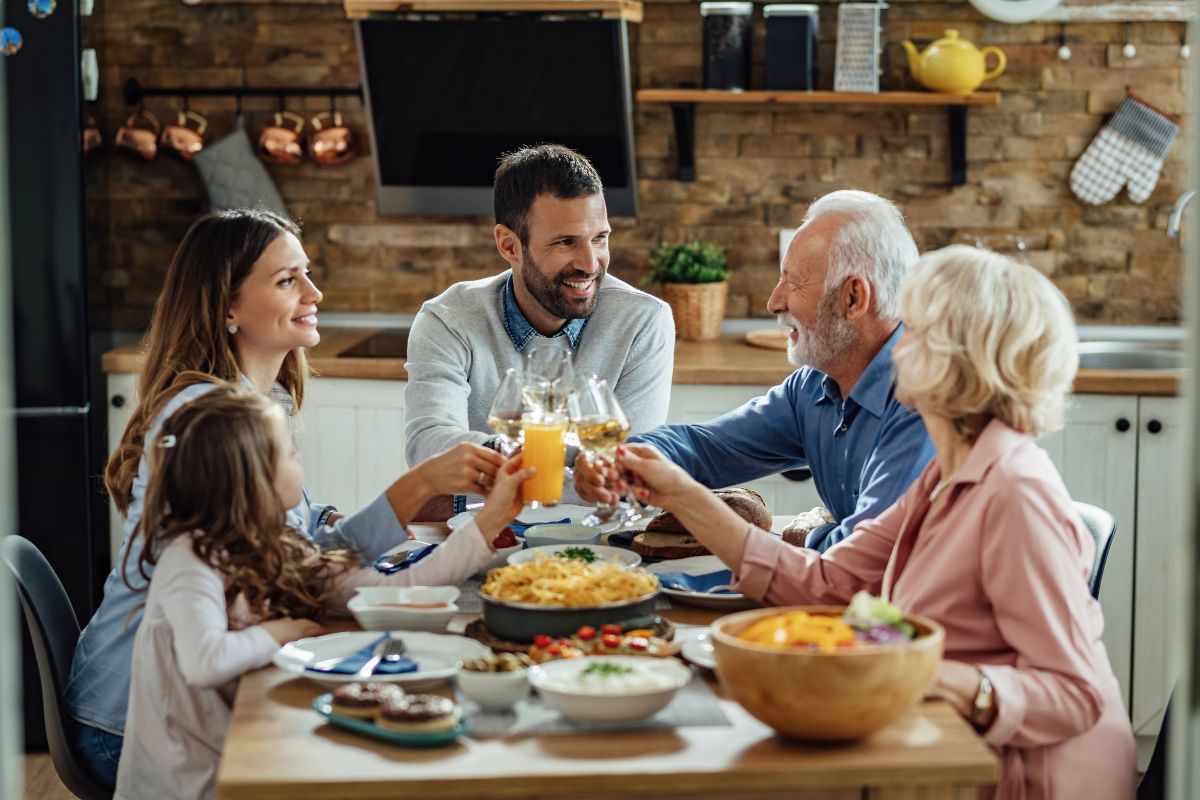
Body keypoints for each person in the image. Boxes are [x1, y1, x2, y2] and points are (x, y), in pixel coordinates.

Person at [616, 245, 1137, 798]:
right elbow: (829, 584)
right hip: (943, 752)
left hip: (1027, 778)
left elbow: (1074, 694)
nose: (897, 343)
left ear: (959, 358)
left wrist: (927, 673)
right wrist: (683, 494)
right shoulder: (945, 473)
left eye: (916, 328)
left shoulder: (1016, 494)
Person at [66, 209, 505, 789]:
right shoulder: (204, 422)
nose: (315, 293)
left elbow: (293, 555)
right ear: (226, 306)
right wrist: (417, 489)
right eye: (286, 280)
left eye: (307, 273)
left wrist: (429, 495)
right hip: (137, 723)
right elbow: (275, 573)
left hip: (194, 701)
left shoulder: (252, 402)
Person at [113, 385, 532, 800]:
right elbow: (205, 662)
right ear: (254, 478)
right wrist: (283, 632)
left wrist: (489, 522)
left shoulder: (279, 544)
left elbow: (395, 590)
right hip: (179, 777)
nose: (301, 461)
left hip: (237, 750)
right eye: (291, 453)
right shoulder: (189, 560)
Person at [577, 189, 934, 551]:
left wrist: (808, 532)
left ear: (854, 298)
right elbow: (706, 447)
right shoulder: (814, 387)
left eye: (793, 283)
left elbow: (868, 559)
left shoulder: (926, 399)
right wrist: (620, 461)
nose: (774, 301)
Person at [404, 144, 676, 514]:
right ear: (509, 245)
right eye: (565, 242)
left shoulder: (643, 321)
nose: (590, 263)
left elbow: (628, 476)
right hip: (485, 538)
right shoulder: (449, 320)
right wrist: (571, 469)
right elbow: (428, 447)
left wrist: (483, 482)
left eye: (599, 238)